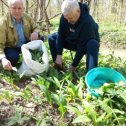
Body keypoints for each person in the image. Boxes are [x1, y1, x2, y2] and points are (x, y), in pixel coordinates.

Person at [48, 0, 100, 72]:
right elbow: (61, 35)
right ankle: (59, 66)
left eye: (71, 18)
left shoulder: (88, 22)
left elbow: (82, 46)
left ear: (78, 11)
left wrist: (74, 65)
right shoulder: (65, 17)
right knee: (52, 37)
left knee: (93, 44)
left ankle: (91, 74)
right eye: (67, 19)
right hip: (72, 40)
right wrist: (59, 54)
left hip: (85, 45)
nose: (68, 21)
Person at [0, 0, 40, 71]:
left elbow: (36, 27)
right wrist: (3, 59)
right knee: (13, 58)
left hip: (25, 44)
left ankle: (34, 58)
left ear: (23, 8)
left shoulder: (27, 17)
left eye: (19, 8)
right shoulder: (3, 22)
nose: (17, 11)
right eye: (14, 8)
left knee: (41, 39)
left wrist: (35, 33)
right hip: (11, 47)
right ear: (9, 8)